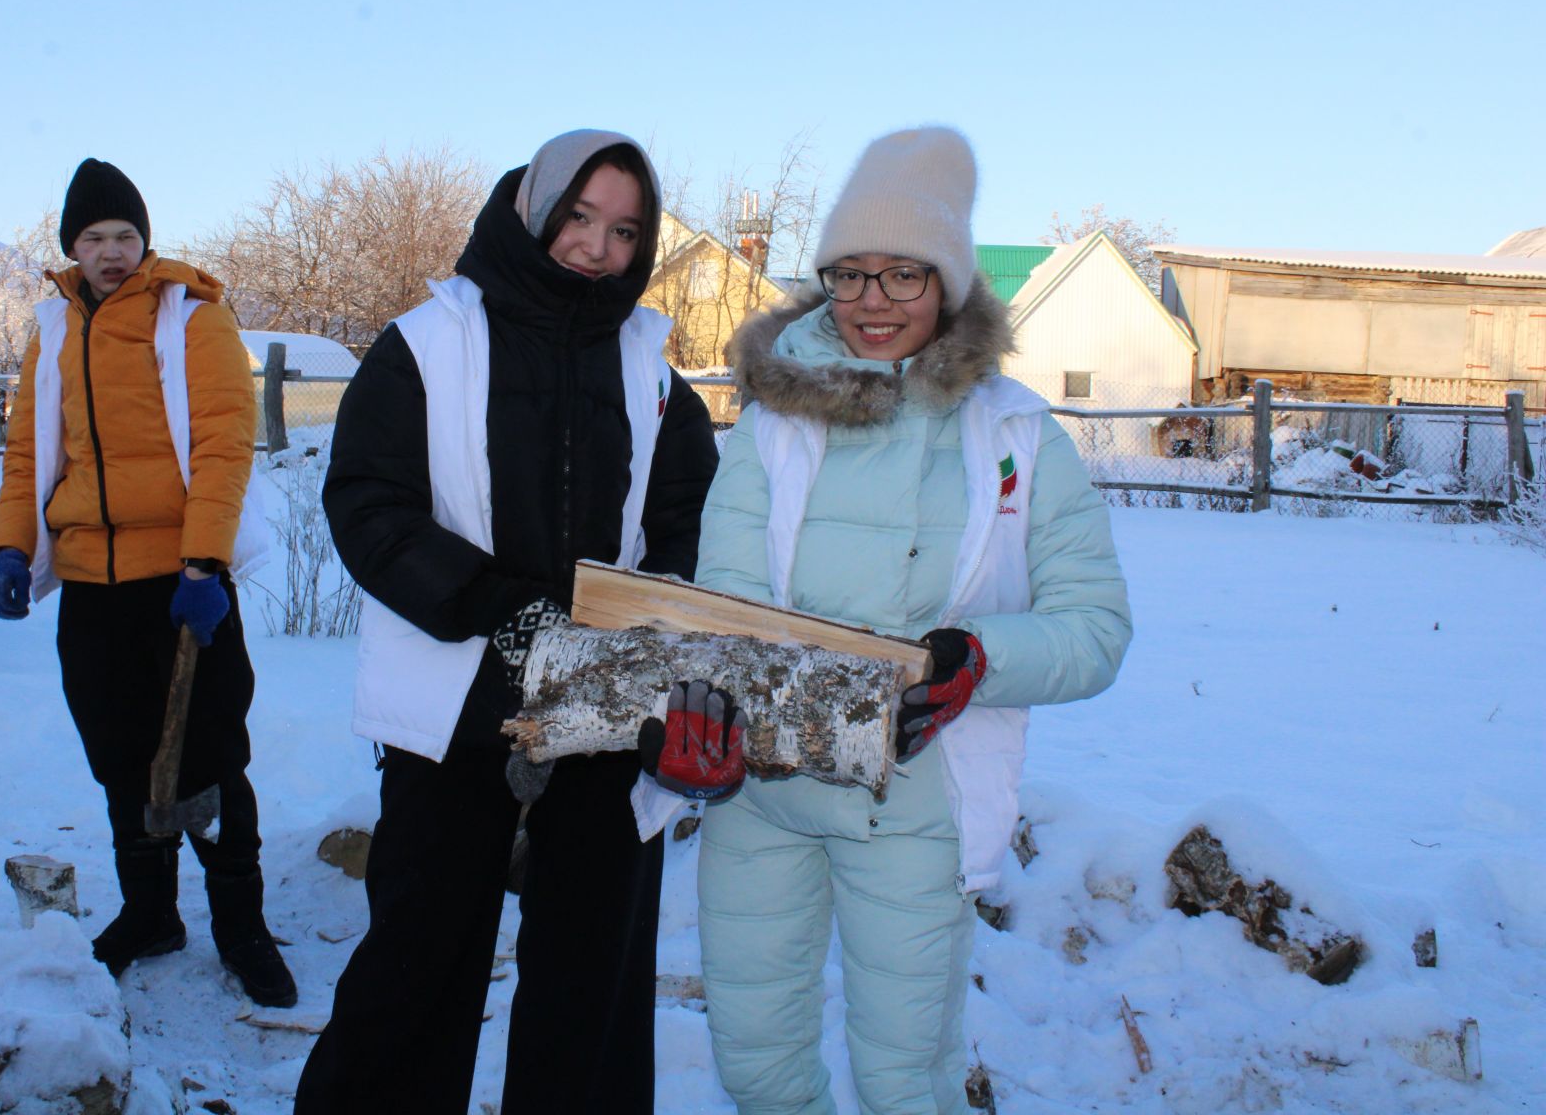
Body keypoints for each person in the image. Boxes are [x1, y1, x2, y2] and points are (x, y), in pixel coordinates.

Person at [691, 128, 1132, 1114]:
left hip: (915, 805)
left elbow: (1097, 625)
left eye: (902, 274)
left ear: (949, 282)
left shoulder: (1016, 432)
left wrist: (980, 655)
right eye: (849, 275)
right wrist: (698, 717)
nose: (872, 303)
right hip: (764, 798)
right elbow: (721, 607)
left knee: (905, 1077)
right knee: (756, 1063)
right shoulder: (770, 425)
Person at [295, 131, 720, 1114]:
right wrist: (501, 610)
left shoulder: (652, 372)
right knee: (418, 958)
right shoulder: (428, 343)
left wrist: (652, 616)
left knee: (592, 978)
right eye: (578, 216)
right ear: (533, 208)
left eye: (623, 230)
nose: (596, 246)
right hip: (458, 696)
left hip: (607, 699)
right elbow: (369, 502)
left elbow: (692, 522)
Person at [0, 158, 296, 1008]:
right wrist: (11, 549)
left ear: (145, 239)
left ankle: (243, 928)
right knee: (120, 752)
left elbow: (227, 445)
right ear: (71, 248)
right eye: (94, 238)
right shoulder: (52, 330)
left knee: (212, 756)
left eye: (125, 235)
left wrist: (205, 563)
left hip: (182, 581)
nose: (112, 251)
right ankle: (151, 914)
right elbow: (29, 456)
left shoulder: (192, 318)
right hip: (91, 581)